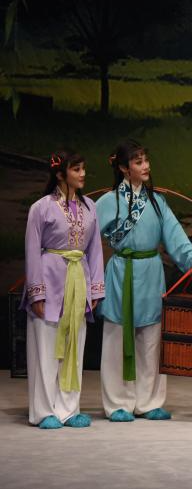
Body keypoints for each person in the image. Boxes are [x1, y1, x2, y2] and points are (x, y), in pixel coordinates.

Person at [96, 139, 192, 422]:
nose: (146, 166)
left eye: (146, 160)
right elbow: (85, 241)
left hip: (150, 272)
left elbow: (176, 238)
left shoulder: (157, 202)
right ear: (124, 168)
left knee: (151, 340)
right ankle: (118, 404)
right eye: (138, 162)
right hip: (122, 272)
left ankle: (149, 402)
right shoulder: (107, 202)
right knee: (116, 340)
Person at [22, 150, 105, 428]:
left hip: (78, 280)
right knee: (46, 348)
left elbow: (95, 250)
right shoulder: (41, 208)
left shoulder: (90, 207)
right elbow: (32, 251)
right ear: (60, 174)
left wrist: (95, 289)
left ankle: (69, 409)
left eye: (83, 168)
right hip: (50, 278)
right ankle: (44, 411)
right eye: (76, 169)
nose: (83, 174)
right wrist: (37, 291)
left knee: (74, 346)